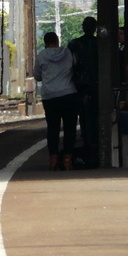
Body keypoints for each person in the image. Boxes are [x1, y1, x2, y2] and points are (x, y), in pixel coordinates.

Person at [34, 32, 79, 171]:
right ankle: (67, 160)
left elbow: (37, 76)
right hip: (68, 94)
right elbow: (75, 67)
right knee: (70, 128)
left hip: (50, 97)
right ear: (57, 40)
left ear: (45, 42)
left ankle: (53, 161)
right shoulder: (67, 52)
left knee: (52, 129)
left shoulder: (41, 56)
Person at [68, 16, 99, 167]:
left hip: (79, 87)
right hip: (97, 87)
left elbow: (70, 65)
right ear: (95, 28)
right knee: (96, 118)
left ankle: (87, 147)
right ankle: (94, 149)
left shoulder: (74, 44)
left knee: (84, 119)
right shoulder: (100, 44)